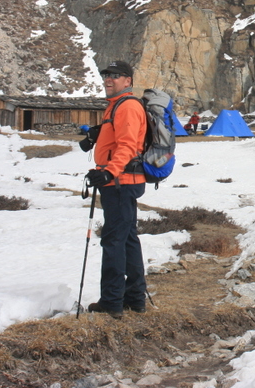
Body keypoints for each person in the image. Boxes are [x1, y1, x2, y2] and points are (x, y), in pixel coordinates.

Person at [81, 60, 148, 319]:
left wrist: (109, 171)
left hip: (120, 182)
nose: (108, 79)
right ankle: (134, 298)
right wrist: (97, 136)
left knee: (114, 240)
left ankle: (112, 302)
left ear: (128, 81)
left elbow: (128, 145)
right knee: (127, 238)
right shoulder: (117, 105)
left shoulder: (127, 105)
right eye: (106, 75)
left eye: (115, 75)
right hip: (122, 181)